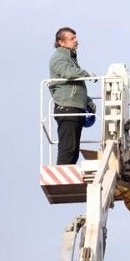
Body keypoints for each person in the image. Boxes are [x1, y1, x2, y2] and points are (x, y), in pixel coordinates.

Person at [49, 27, 96, 165]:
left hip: (75, 107)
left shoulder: (69, 58)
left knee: (73, 149)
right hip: (67, 107)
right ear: (61, 42)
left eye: (76, 37)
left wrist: (88, 102)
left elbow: (76, 85)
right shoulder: (59, 57)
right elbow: (68, 73)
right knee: (68, 148)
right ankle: (61, 178)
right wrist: (86, 74)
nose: (76, 41)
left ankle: (65, 174)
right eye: (72, 38)